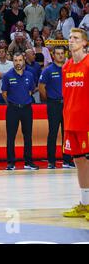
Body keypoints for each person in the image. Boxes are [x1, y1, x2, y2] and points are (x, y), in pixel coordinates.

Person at [61, 28, 89, 220]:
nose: (71, 41)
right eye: (70, 38)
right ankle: (85, 204)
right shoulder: (67, 66)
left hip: (87, 122)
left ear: (85, 43)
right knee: (79, 161)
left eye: (76, 38)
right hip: (71, 122)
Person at [2, 52, 39, 171]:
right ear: (13, 62)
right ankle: (11, 162)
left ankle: (28, 162)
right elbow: (4, 93)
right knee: (11, 136)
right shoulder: (7, 76)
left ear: (24, 61)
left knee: (28, 136)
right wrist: (12, 104)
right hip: (12, 108)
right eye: (16, 60)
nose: (18, 63)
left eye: (20, 60)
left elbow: (31, 90)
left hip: (27, 108)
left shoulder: (29, 75)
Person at [38, 46, 74, 169]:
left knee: (67, 133)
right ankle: (51, 161)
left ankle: (67, 160)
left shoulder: (70, 68)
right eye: (57, 53)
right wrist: (48, 98)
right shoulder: (48, 70)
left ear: (65, 54)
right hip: (53, 104)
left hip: (68, 105)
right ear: (53, 55)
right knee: (53, 132)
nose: (60, 56)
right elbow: (41, 86)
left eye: (62, 53)